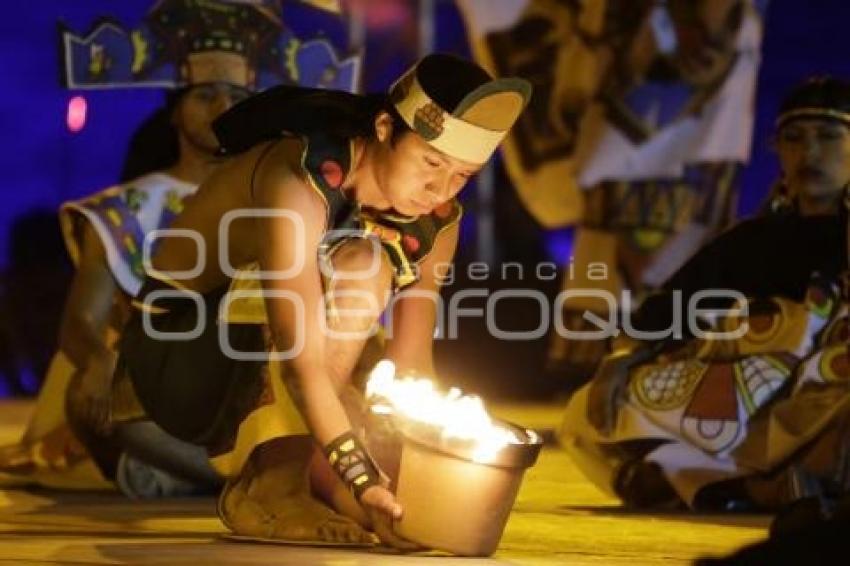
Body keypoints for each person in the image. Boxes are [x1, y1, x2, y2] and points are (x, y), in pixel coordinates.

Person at [109, 53, 530, 545]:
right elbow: (301, 362)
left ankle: (304, 484)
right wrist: (356, 469)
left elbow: (411, 363)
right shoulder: (298, 179)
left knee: (398, 507)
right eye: (431, 162)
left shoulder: (438, 222)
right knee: (363, 266)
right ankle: (272, 489)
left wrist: (421, 462)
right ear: (382, 128)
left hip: (278, 372)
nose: (440, 188)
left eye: (464, 175)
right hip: (180, 356)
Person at [0, 0, 357, 495]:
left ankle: (230, 473)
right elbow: (81, 324)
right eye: (205, 94)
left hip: (258, 380)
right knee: (103, 405)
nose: (222, 108)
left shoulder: (288, 197)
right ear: (174, 111)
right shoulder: (121, 211)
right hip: (162, 387)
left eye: (236, 94)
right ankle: (244, 476)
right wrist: (98, 364)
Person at [558, 76, 850, 512]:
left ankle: (717, 486)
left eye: (827, 138)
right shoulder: (753, 239)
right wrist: (622, 359)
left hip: (828, 391)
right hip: (750, 398)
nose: (808, 152)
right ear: (778, 150)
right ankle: (731, 485)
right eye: (794, 138)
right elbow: (670, 311)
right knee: (587, 411)